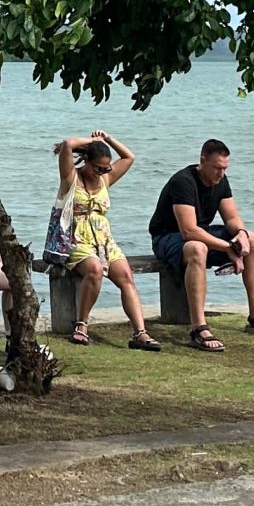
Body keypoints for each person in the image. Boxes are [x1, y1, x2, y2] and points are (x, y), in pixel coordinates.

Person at [147, 138, 254, 350]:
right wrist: (229, 249)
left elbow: (231, 218)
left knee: (253, 241)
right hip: (168, 237)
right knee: (197, 248)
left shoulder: (221, 181)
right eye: (216, 168)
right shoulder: (183, 181)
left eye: (224, 168)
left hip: (200, 233)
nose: (220, 174)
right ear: (202, 161)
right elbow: (189, 230)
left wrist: (240, 235)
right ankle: (198, 328)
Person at [51, 133, 161, 352]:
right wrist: (92, 143)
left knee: (125, 275)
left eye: (106, 168)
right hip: (74, 238)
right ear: (87, 162)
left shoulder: (105, 179)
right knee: (94, 270)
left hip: (104, 239)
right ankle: (81, 325)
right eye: (98, 168)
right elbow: (68, 144)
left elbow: (129, 157)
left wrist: (108, 140)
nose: (102, 172)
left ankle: (140, 332)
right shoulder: (71, 177)